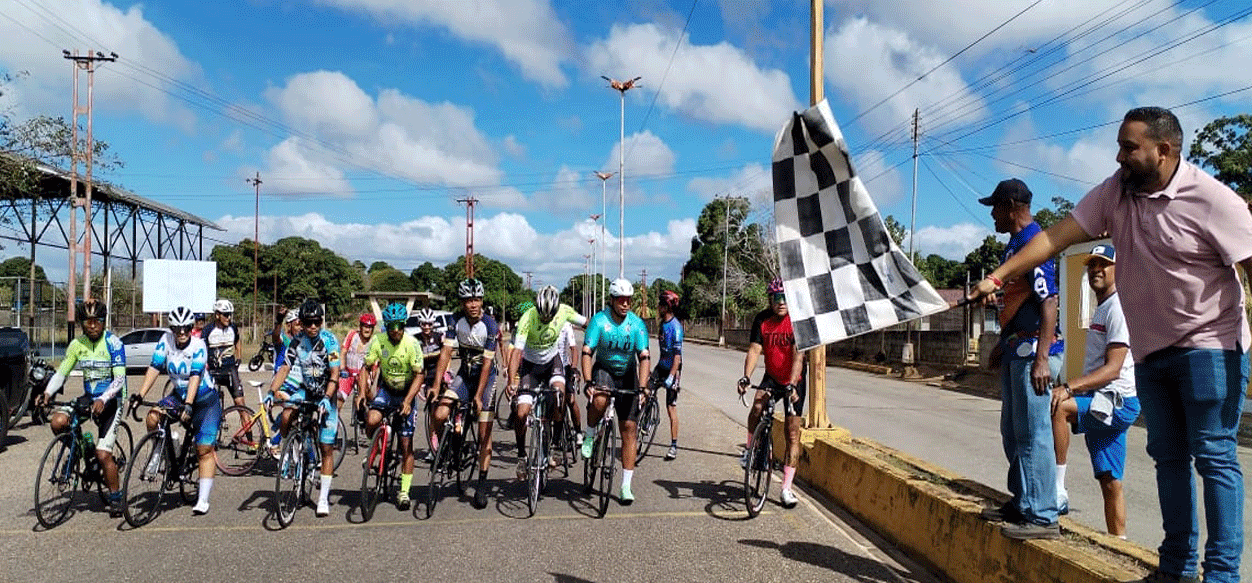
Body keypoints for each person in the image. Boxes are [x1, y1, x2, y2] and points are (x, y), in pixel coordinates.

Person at [969, 106, 1249, 583]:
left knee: (1214, 455)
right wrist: (997, 275)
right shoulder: (1115, 193)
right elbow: (1055, 238)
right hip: (1153, 352)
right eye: (1118, 146)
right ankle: (1176, 568)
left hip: (1210, 347)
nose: (1119, 157)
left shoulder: (1213, 200)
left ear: (1165, 150)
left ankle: (1221, 574)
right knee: (1168, 457)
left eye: (1129, 148)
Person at [973, 177, 1065, 540]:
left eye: (995, 207)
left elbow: (1049, 301)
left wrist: (1042, 358)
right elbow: (1017, 301)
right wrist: (1002, 343)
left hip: (1033, 355)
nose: (992, 215)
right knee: (1013, 432)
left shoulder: (1034, 244)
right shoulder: (1014, 247)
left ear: (1011, 206)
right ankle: (1023, 500)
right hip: (1017, 349)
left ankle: (1042, 515)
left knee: (1034, 434)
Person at [1050, 244, 1139, 537]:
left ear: (1118, 270)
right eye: (1092, 265)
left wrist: (1068, 386)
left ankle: (1057, 489)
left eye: (1104, 264)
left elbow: (1113, 368)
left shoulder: (1118, 309)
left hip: (1116, 401)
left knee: (1059, 407)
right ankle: (1120, 543)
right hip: (1103, 399)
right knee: (1110, 480)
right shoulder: (1102, 307)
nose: (1096, 270)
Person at [35, 299, 127, 517]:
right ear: (82, 323)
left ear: (104, 322)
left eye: (97, 321)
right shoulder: (77, 345)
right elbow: (61, 373)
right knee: (58, 421)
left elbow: (120, 379)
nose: (92, 326)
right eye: (87, 322)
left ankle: (115, 497)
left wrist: (104, 399)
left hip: (112, 399)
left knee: (104, 455)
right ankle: (80, 450)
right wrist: (48, 393)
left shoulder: (114, 343)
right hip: (89, 397)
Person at [131, 307, 219, 515]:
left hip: (205, 400)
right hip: (179, 395)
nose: (181, 333)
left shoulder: (198, 345)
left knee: (203, 449)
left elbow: (195, 376)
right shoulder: (165, 340)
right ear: (171, 329)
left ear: (191, 328)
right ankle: (162, 450)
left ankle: (203, 499)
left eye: (186, 328)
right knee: (153, 417)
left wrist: (188, 404)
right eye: (177, 328)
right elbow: (154, 367)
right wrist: (140, 395)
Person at [430, 278, 500, 509]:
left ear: (482, 300)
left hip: (486, 378)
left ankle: (480, 484)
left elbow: (488, 366)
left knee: (483, 433)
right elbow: (445, 353)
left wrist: (478, 396)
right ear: (462, 302)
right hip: (465, 375)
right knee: (440, 414)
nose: (473, 304)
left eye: (477, 299)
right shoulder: (454, 321)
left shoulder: (490, 325)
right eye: (469, 300)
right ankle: (449, 447)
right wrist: (436, 384)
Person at [268, 299, 341, 517]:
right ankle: (292, 452)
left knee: (326, 446)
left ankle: (322, 498)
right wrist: (272, 392)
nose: (312, 326)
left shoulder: (330, 341)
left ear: (321, 321)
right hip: (306, 389)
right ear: (302, 322)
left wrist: (327, 397)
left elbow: (336, 373)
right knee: (288, 413)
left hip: (326, 392)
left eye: (317, 322)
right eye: (308, 322)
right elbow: (285, 367)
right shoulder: (297, 340)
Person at [505, 285, 587, 479]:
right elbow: (517, 352)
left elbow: (589, 324)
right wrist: (511, 381)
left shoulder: (565, 311)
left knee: (560, 396)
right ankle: (521, 456)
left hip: (553, 362)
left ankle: (557, 445)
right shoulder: (528, 318)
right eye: (543, 315)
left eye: (550, 316)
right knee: (521, 412)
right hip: (531, 367)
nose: (546, 319)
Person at [581, 278, 650, 505]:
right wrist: (588, 381)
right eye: (621, 300)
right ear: (611, 300)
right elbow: (587, 352)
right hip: (604, 370)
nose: (625, 304)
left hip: (627, 374)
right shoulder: (599, 321)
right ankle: (590, 434)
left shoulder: (637, 325)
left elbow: (644, 357)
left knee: (629, 428)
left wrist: (642, 388)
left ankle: (626, 486)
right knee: (599, 400)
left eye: (629, 300)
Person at [738, 278, 805, 509]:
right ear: (770, 299)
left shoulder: (796, 320)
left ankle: (786, 488)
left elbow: (798, 355)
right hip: (772, 376)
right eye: (777, 298)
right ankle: (749, 451)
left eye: (785, 298)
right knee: (757, 406)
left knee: (792, 434)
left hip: (793, 382)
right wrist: (746, 376)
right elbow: (755, 349)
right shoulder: (762, 319)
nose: (781, 302)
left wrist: (793, 384)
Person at [355, 303, 423, 510]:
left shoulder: (411, 344)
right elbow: (365, 368)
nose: (395, 331)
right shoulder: (379, 340)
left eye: (399, 326)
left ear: (404, 325)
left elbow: (420, 375)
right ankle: (374, 449)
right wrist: (362, 393)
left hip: (406, 392)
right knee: (372, 419)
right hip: (386, 389)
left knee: (405, 443)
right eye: (391, 326)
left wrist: (409, 401)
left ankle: (404, 491)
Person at [202, 299, 247, 428]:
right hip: (213, 372)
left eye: (230, 314)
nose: (229, 317)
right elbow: (201, 349)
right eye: (226, 314)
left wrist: (239, 357)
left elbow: (237, 341)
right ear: (217, 315)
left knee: (241, 405)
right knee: (207, 407)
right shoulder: (208, 330)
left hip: (230, 371)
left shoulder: (233, 328)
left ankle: (250, 442)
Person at [654, 290, 684, 461]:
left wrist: (672, 377)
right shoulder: (661, 324)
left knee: (671, 407)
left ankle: (673, 446)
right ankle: (649, 417)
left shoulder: (676, 327)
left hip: (674, 368)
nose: (658, 307)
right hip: (661, 365)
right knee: (644, 391)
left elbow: (677, 357)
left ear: (666, 307)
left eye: (660, 305)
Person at [413, 307, 444, 462]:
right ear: (420, 324)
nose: (426, 327)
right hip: (426, 378)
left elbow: (447, 357)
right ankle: (434, 447)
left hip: (440, 375)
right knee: (432, 414)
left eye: (429, 324)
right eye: (423, 324)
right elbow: (415, 365)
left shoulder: (440, 337)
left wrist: (445, 374)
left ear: (433, 324)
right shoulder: (415, 340)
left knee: (446, 407)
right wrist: (418, 385)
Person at [340, 312, 376, 409]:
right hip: (348, 373)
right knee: (338, 398)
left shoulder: (374, 342)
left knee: (365, 393)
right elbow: (343, 352)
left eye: (370, 327)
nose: (367, 329)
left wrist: (371, 378)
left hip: (364, 375)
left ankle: (373, 405)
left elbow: (375, 365)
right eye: (365, 326)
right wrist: (342, 369)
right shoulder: (352, 335)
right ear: (360, 326)